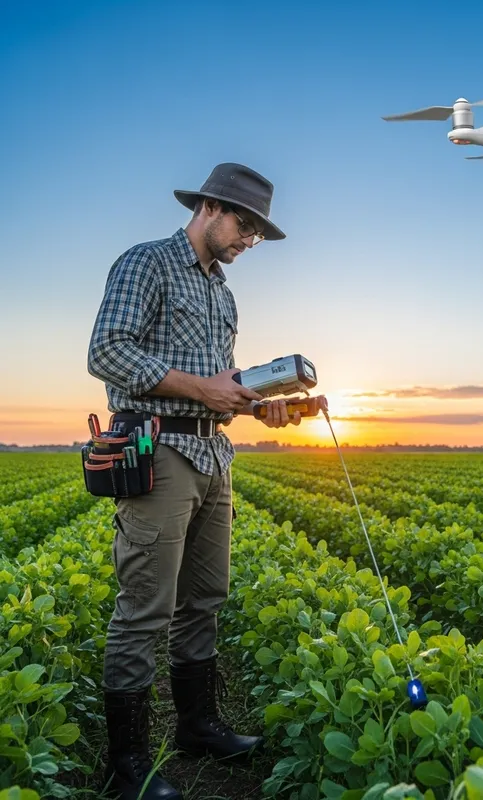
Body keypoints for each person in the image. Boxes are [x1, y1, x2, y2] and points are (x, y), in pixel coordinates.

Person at [87, 162, 326, 800]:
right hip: (157, 450)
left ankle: (197, 727)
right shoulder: (146, 263)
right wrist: (207, 390)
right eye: (246, 227)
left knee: (206, 597)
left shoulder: (223, 294)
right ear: (211, 208)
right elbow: (107, 351)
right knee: (145, 609)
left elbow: (218, 392)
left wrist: (260, 403)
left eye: (257, 234)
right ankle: (128, 761)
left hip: (214, 455)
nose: (250, 241)